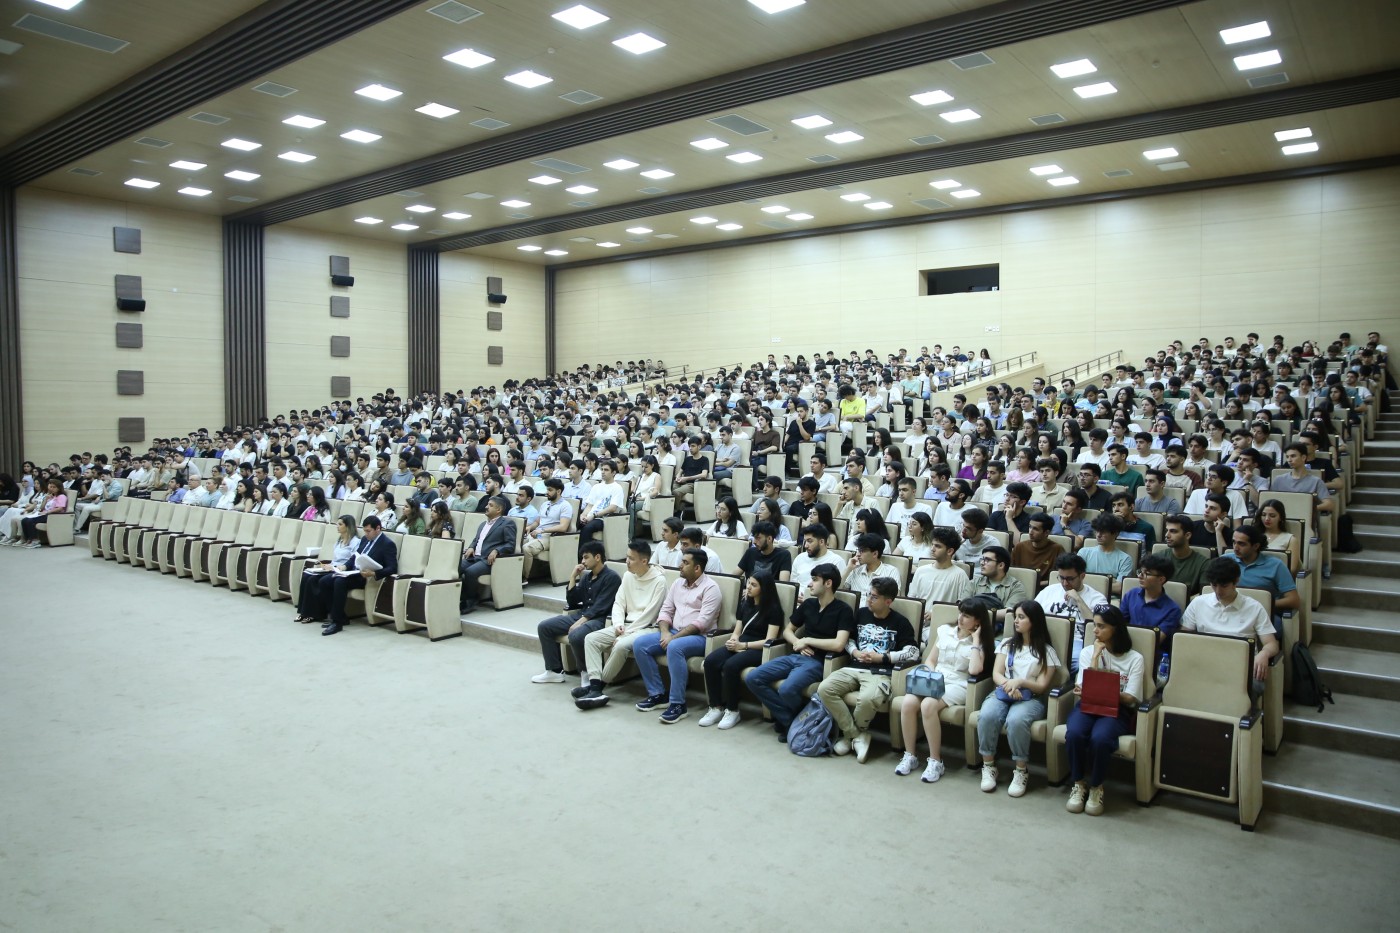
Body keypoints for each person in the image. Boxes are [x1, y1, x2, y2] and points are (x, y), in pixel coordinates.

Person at [745, 564, 855, 737]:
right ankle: (792, 720)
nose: (810, 584)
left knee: (787, 689)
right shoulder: (809, 604)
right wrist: (797, 642)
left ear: (828, 583)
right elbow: (787, 631)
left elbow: (839, 644)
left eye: (814, 580)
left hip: (818, 662)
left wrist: (808, 640)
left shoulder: (843, 610)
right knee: (753, 677)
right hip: (795, 655)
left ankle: (788, 722)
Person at [818, 576, 918, 763]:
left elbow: (913, 652)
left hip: (880, 673)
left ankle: (849, 738)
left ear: (888, 601)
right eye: (868, 595)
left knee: (867, 699)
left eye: (873, 597)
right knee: (824, 689)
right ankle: (857, 735)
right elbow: (848, 639)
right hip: (853, 667)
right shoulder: (861, 614)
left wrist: (884, 657)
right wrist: (854, 651)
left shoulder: (900, 622)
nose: (868, 600)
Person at [895, 598, 994, 783]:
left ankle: (935, 761)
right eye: (960, 613)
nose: (960, 618)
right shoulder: (945, 631)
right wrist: (931, 676)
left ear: (978, 621)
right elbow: (930, 660)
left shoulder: (981, 643)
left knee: (928, 706)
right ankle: (910, 755)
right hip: (936, 678)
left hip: (959, 684)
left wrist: (976, 639)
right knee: (908, 703)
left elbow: (973, 670)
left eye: (966, 616)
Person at [1064, 606, 1146, 817]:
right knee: (1074, 733)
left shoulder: (1135, 658)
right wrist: (1095, 658)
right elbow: (1083, 690)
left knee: (1100, 739)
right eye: (1095, 625)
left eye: (1101, 626)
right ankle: (1078, 783)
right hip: (1088, 706)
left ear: (1116, 628)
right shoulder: (1088, 652)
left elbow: (1130, 697)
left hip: (1117, 711)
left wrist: (1103, 690)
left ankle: (1096, 786)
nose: (1095, 631)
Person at [976, 600, 1061, 797]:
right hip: (1003, 692)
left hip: (1031, 698)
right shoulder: (1007, 644)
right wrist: (1010, 685)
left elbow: (1041, 685)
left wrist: (1020, 683)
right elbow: (996, 673)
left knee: (1016, 720)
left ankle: (1021, 770)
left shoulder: (1047, 651)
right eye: (1015, 617)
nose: (1016, 621)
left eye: (1021, 617)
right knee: (987, 715)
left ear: (1034, 621)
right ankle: (988, 766)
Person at [630, 548, 722, 724]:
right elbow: (666, 611)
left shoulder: (711, 588)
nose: (680, 565)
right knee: (640, 644)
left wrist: (674, 638)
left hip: (701, 637)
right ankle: (657, 694)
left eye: (685, 563)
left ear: (697, 568)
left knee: (674, 646)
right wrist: (665, 632)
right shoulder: (677, 584)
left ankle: (678, 704)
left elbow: (701, 623)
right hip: (673, 632)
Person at [575, 541, 669, 709]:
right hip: (625, 625)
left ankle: (597, 687)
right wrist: (618, 623)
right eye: (626, 557)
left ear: (644, 561)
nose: (627, 562)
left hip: (646, 628)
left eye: (631, 559)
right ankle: (595, 685)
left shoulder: (659, 581)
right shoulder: (627, 576)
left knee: (620, 646)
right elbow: (619, 604)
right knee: (590, 639)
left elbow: (651, 614)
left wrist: (625, 633)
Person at [698, 571, 785, 730]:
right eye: (748, 583)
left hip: (758, 649)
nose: (748, 587)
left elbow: (769, 640)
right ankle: (715, 707)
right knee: (711, 661)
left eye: (754, 585)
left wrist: (743, 646)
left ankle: (732, 710)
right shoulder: (745, 603)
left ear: (764, 588)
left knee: (730, 666)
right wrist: (734, 639)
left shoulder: (773, 610)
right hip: (741, 643)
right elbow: (738, 630)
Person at [1181, 557, 1278, 694]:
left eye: (1224, 586)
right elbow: (1184, 638)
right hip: (1204, 663)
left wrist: (1264, 654)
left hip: (1240, 666)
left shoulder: (1254, 607)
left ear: (1236, 581)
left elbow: (1271, 644)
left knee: (1245, 689)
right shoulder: (1198, 603)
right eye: (1214, 585)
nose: (1218, 591)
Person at [531, 541, 623, 686]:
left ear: (597, 557)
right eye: (582, 558)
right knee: (544, 627)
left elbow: (601, 607)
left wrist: (579, 623)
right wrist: (573, 577)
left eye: (586, 557)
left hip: (601, 619)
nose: (583, 561)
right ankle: (554, 671)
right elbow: (573, 601)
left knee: (576, 634)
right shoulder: (587, 577)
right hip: (581, 615)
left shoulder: (612, 577)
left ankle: (586, 673)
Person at [316, 516, 398, 636]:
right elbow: (355, 557)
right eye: (365, 531)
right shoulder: (365, 539)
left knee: (339, 582)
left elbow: (392, 567)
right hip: (353, 572)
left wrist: (374, 573)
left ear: (378, 528)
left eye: (368, 531)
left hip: (366, 577)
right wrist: (344, 567)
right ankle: (340, 616)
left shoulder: (387, 544)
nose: (366, 534)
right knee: (324, 581)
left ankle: (337, 622)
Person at [1035, 554, 1107, 675]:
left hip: (1076, 641)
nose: (1064, 583)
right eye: (1061, 578)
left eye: (1070, 579)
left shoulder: (1097, 598)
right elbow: (1031, 614)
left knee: (1082, 663)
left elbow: (1097, 626)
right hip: (1046, 637)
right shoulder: (1048, 591)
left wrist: (1078, 599)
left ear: (1082, 576)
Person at [1120, 553, 1181, 673]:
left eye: (1146, 573)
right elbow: (1119, 624)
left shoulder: (1172, 610)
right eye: (1140, 572)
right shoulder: (1131, 595)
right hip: (1124, 650)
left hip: (1151, 658)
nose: (1140, 576)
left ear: (1161, 579)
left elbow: (1154, 641)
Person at [294, 515, 361, 623]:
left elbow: (353, 561)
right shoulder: (339, 541)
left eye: (340, 524)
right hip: (332, 567)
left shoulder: (355, 542)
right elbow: (335, 559)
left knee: (313, 580)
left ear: (348, 526)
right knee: (306, 576)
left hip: (342, 571)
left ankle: (315, 614)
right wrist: (328, 565)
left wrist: (334, 567)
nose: (337, 526)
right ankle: (304, 612)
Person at [458, 495, 516, 613]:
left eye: (490, 505)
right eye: (487, 504)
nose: (486, 507)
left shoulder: (507, 523)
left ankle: (471, 599)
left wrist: (497, 550)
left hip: (488, 560)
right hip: (474, 557)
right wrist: (471, 547)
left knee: (470, 572)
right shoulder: (482, 524)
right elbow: (476, 540)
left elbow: (510, 545)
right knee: (455, 567)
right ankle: (456, 597)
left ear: (498, 510)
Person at [960, 545, 1027, 628]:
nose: (981, 563)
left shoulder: (1016, 586)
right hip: (970, 629)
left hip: (998, 634)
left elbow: (1010, 613)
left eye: (987, 560)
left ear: (1001, 565)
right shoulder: (974, 583)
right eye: (982, 559)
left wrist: (976, 615)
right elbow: (961, 606)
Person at [521, 477, 575, 579]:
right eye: (547, 489)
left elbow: (563, 527)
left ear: (558, 491)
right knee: (516, 544)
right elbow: (538, 521)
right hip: (538, 533)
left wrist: (542, 530)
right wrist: (530, 527)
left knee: (526, 548)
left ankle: (524, 577)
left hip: (551, 536)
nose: (547, 492)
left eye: (550, 490)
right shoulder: (545, 504)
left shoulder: (565, 506)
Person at [907, 526, 970, 610]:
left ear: (950, 551)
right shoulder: (921, 571)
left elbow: (962, 607)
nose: (932, 549)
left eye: (938, 546)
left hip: (945, 621)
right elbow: (911, 600)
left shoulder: (960, 575)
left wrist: (937, 615)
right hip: (919, 619)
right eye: (932, 545)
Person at [576, 459, 626, 556]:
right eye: (602, 469)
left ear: (614, 472)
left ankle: (583, 556)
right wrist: (583, 515)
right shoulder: (596, 487)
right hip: (592, 516)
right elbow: (590, 505)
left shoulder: (617, 488)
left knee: (587, 528)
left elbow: (612, 508)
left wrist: (594, 516)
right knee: (574, 523)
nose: (603, 472)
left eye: (606, 470)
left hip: (604, 518)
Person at [840, 532, 902, 606]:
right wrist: (848, 569)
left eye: (862, 551)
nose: (858, 554)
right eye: (858, 550)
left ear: (875, 554)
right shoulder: (854, 569)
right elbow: (837, 591)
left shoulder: (891, 572)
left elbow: (894, 600)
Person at [1078, 513, 1135, 594]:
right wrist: (1109, 583)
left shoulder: (1125, 559)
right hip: (1084, 595)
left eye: (1103, 532)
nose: (1098, 535)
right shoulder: (1083, 552)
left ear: (1115, 533)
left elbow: (1119, 588)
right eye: (1097, 531)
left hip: (1110, 599)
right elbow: (1075, 580)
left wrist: (1088, 583)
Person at [1011, 512, 1063, 585]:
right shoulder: (1020, 547)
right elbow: (1010, 572)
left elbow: (1061, 577)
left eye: (1035, 529)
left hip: (1044, 589)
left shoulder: (1057, 549)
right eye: (1030, 527)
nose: (1030, 532)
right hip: (1020, 586)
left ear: (1046, 532)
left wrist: (1039, 584)